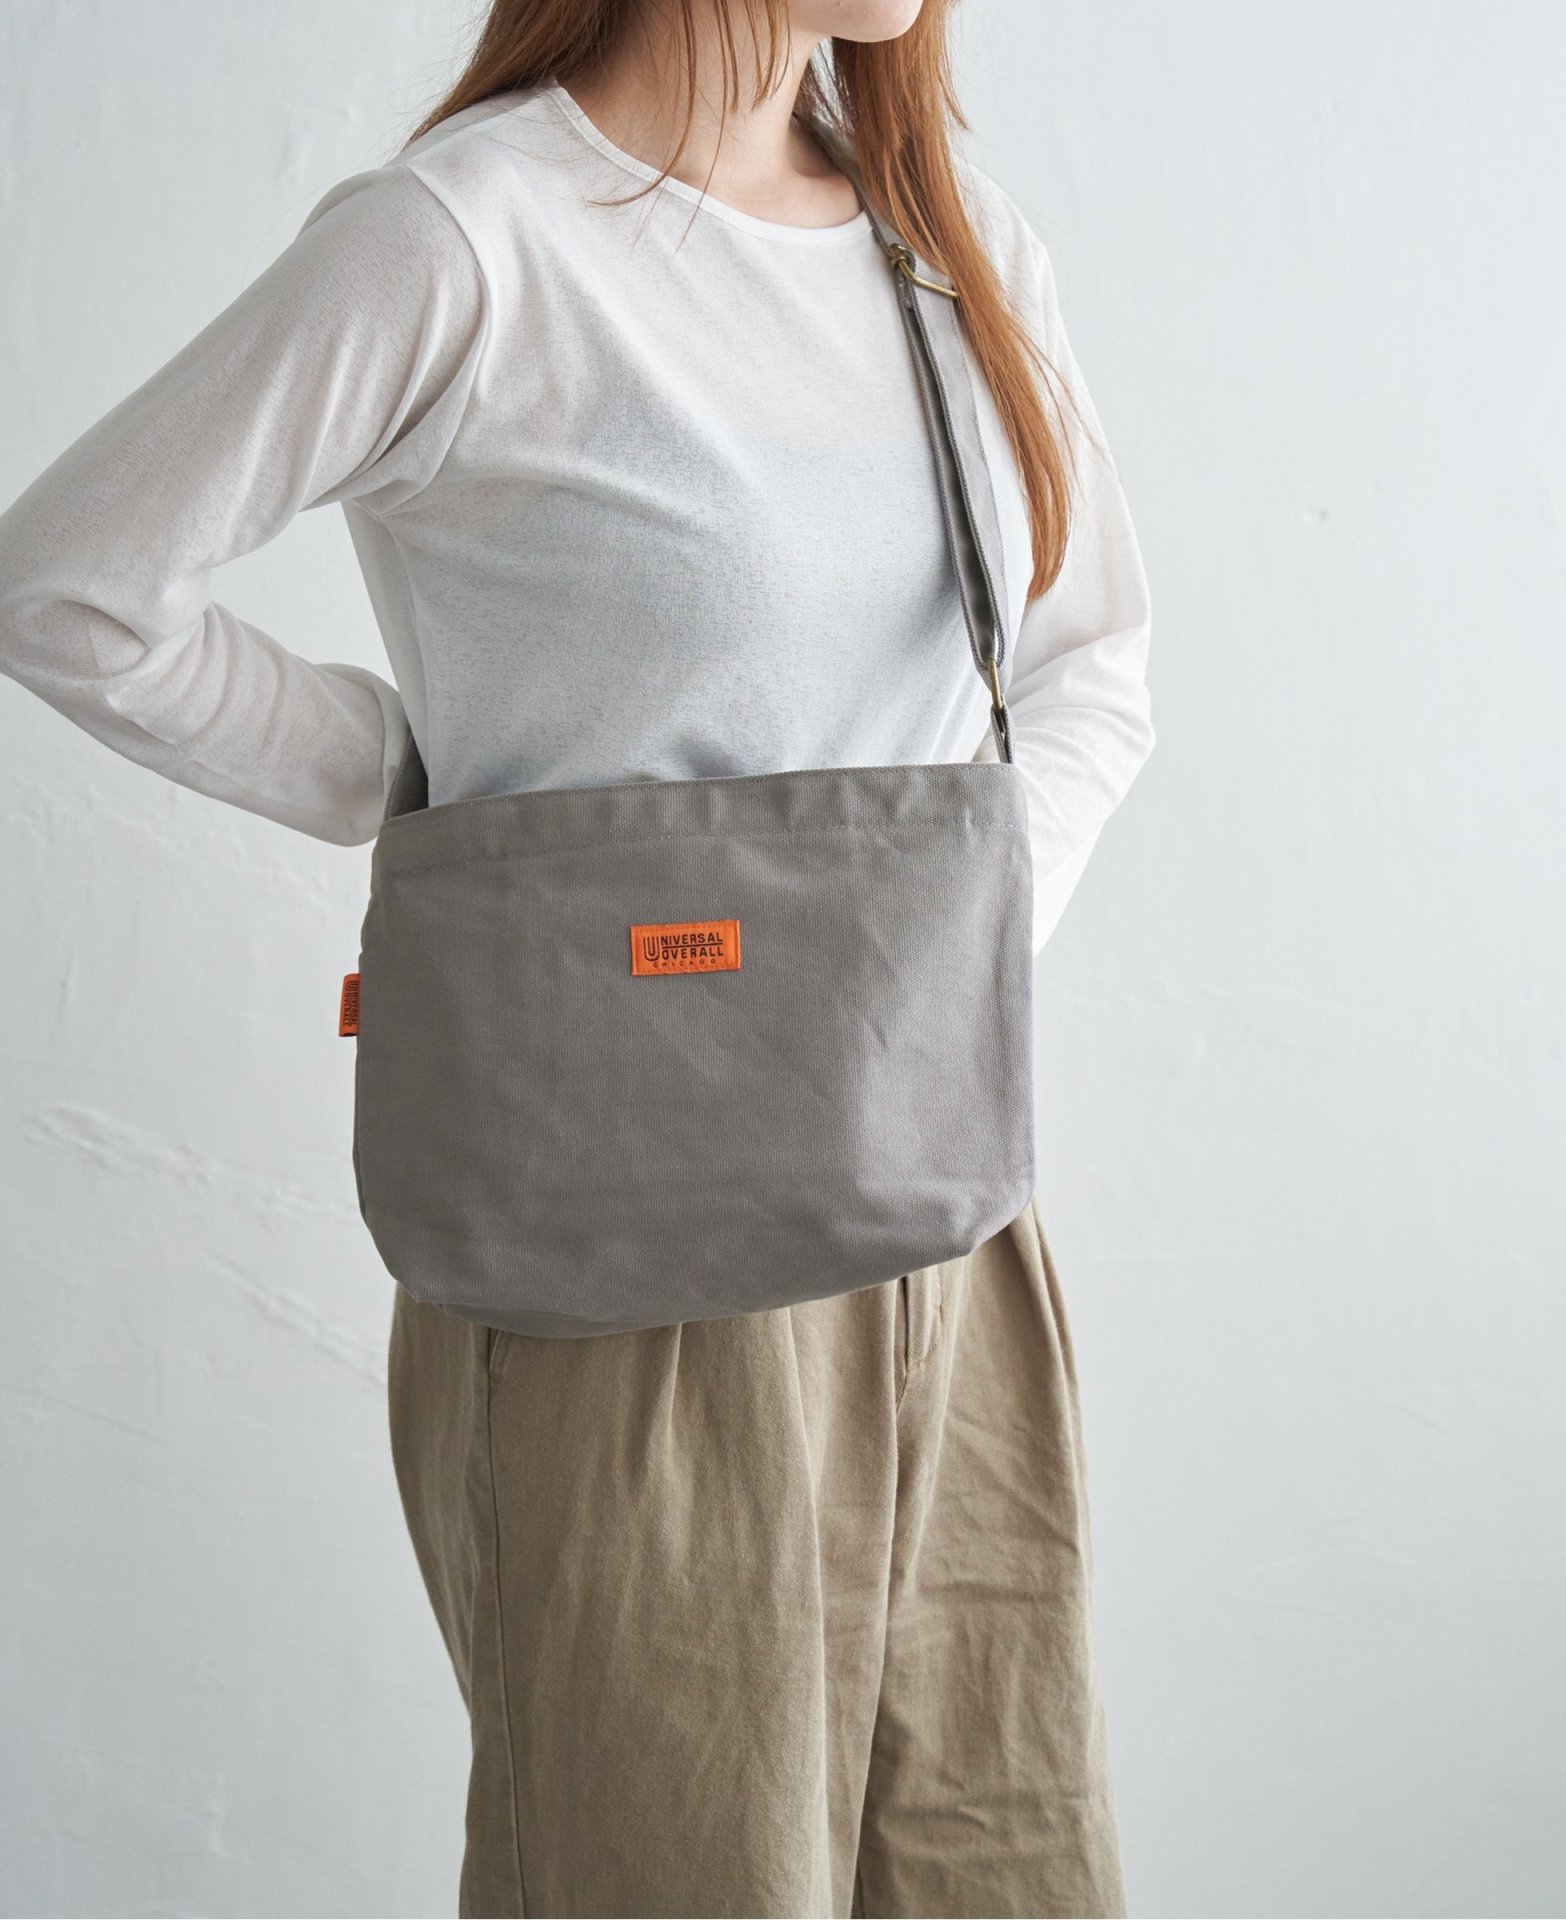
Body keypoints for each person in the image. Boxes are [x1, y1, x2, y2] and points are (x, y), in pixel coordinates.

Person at [0, 1, 1154, 1913]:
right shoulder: (468, 240)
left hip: (952, 1231)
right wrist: (398, 776)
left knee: (1000, 1865)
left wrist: (926, 953)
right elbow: (69, 590)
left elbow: (1089, 650)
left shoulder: (947, 238)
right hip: (622, 1268)